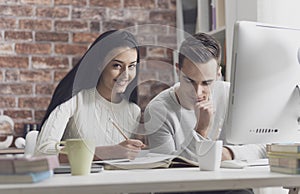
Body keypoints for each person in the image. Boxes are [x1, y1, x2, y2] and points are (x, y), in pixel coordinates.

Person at [144, 33, 266, 194]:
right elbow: (168, 173)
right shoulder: (158, 110)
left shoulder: (231, 97)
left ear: (218, 74)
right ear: (177, 70)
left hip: (230, 186)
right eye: (190, 81)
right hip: (181, 190)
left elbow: (264, 148)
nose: (198, 92)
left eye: (207, 83)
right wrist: (201, 130)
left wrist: (228, 153)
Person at [35, 30, 145, 161]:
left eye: (131, 66)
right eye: (117, 65)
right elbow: (42, 153)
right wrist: (110, 152)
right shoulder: (74, 100)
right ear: (99, 64)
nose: (125, 75)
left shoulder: (133, 111)